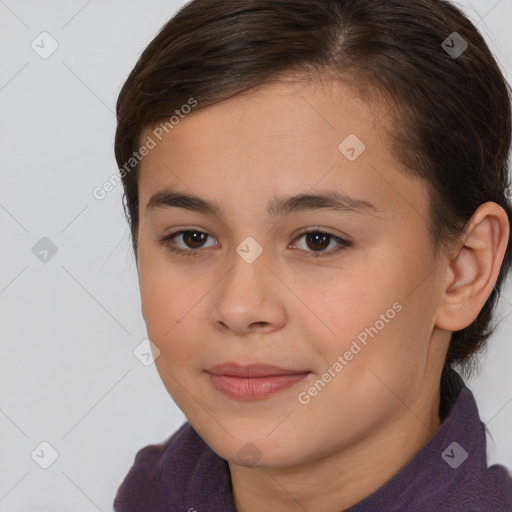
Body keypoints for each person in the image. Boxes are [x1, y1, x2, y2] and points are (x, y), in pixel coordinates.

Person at [112, 0, 512, 510]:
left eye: (317, 240)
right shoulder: (151, 494)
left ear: (462, 270)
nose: (239, 308)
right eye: (192, 238)